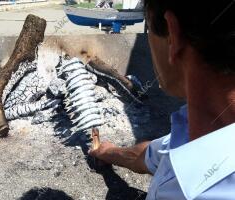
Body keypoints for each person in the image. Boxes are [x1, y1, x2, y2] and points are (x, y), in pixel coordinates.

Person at [89, 0, 235, 199]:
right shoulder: (203, 128)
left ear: (172, 35)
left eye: (147, 25)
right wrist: (108, 152)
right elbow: (152, 155)